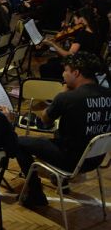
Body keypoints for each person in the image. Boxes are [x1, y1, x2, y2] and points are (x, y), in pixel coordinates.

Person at [17, 52, 111, 207]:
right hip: (95, 158)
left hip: (70, 160)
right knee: (67, 132)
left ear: (76, 72)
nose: (63, 74)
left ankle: (36, 195)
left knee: (19, 142)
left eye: (66, 70)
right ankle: (61, 181)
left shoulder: (67, 98)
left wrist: (62, 93)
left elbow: (45, 121)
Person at [39, 8, 103, 79]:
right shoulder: (97, 31)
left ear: (81, 19)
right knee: (52, 61)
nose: (74, 23)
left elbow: (69, 55)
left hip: (79, 67)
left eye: (75, 19)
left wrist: (53, 44)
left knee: (44, 68)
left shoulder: (83, 34)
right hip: (89, 64)